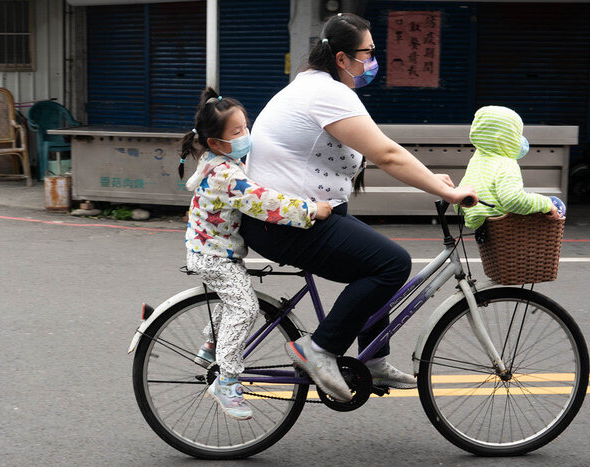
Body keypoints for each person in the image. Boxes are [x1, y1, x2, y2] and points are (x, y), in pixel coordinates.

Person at [239, 13, 478, 403]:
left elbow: (377, 146)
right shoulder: (328, 94)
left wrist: (434, 181)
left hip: (292, 216)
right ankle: (317, 350)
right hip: (286, 223)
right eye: (367, 53)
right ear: (341, 59)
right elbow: (386, 154)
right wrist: (446, 192)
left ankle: (375, 360)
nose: (372, 61)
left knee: (374, 259)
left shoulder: (313, 87)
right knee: (391, 264)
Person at [181, 88, 332, 420]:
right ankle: (227, 380)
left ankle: (210, 347)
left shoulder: (218, 161)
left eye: (246, 127)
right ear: (215, 143)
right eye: (237, 132)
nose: (246, 136)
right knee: (245, 308)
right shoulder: (227, 175)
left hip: (209, 248)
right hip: (214, 255)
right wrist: (310, 209)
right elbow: (264, 202)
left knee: (231, 299)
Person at [457, 105, 564, 238]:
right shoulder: (506, 164)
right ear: (506, 137)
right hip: (507, 230)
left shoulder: (477, 160)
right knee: (555, 204)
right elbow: (513, 200)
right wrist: (546, 204)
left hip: (483, 227)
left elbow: (462, 194)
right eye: (517, 134)